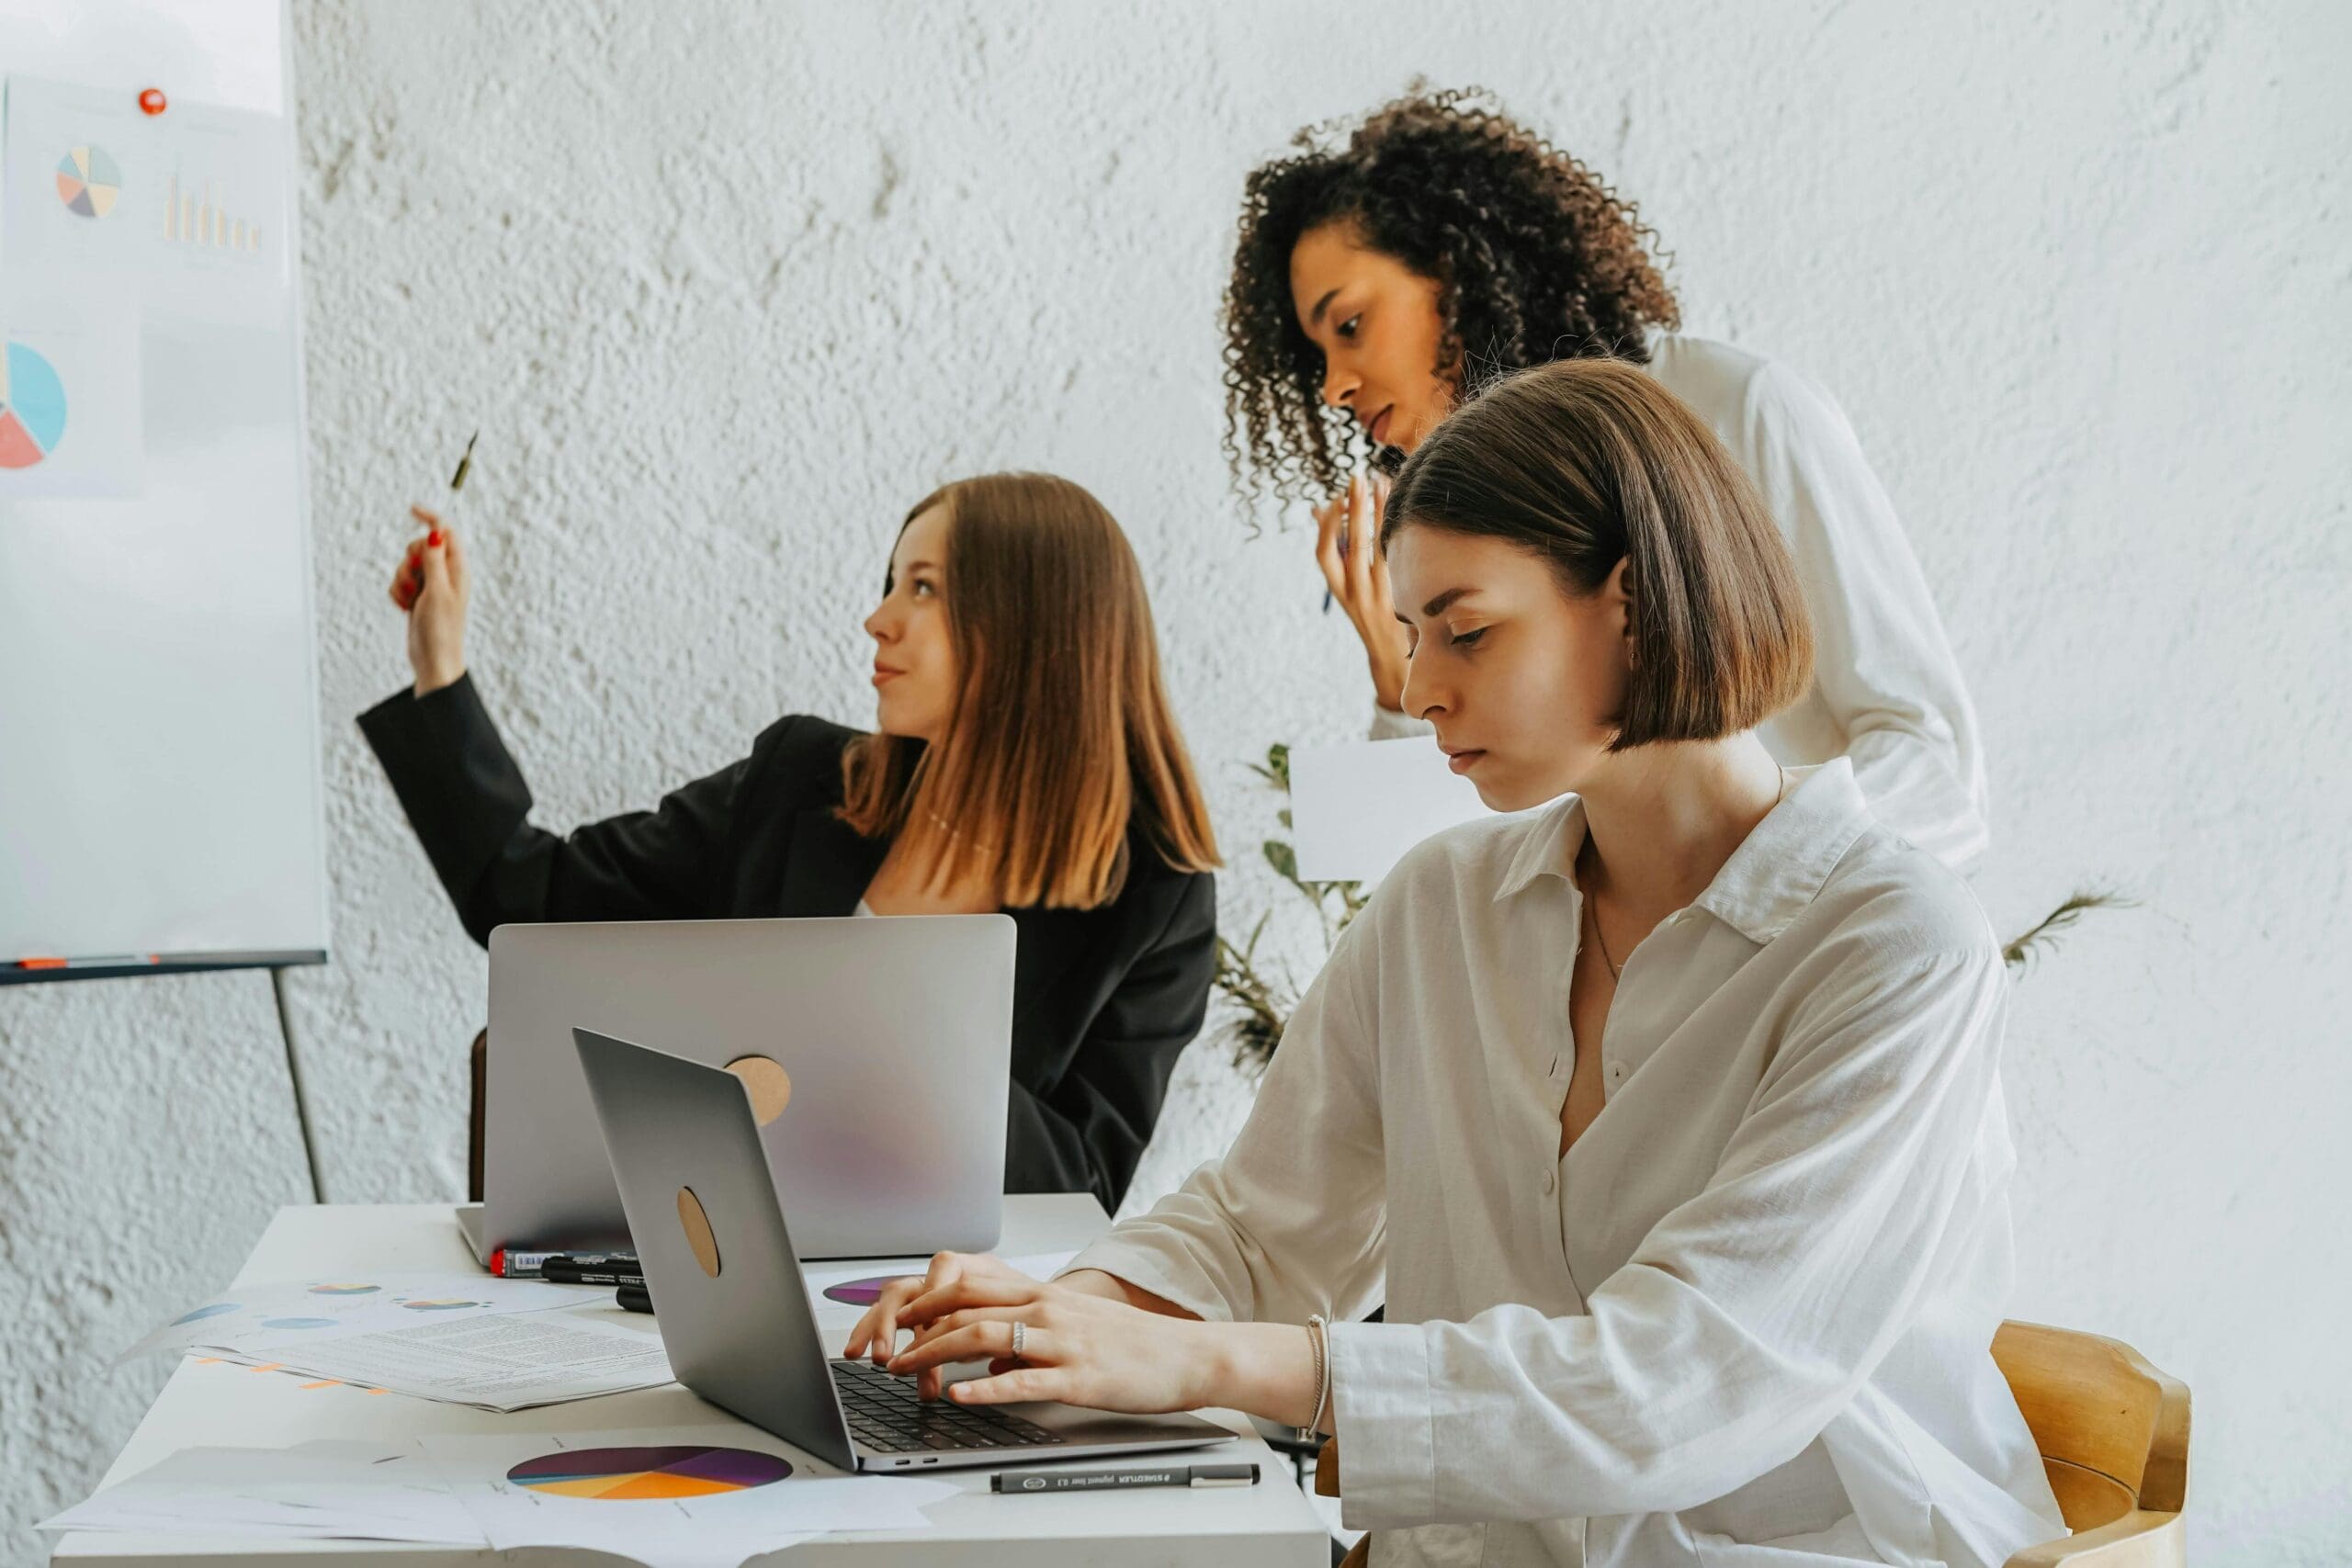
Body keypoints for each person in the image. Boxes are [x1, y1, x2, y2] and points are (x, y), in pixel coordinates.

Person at [848, 362, 2065, 1568]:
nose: (1422, 687)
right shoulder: (1442, 902)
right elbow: (1264, 1225)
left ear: (1633, 600)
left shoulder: (1896, 946)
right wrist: (1056, 1317)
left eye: (1467, 629)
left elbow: (1684, 1381)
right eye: (1411, 634)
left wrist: (1212, 1363)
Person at [359, 472, 1222, 1213]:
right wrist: (441, 667)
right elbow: (524, 897)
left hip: (929, 1316)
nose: (877, 619)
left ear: (1036, 627)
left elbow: (1082, 1190)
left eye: (924, 588)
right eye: (893, 581)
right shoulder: (801, 782)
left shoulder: (1155, 896)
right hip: (714, 1257)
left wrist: (896, 1020)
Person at [1224, 88, 1991, 874]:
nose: (1331, 389)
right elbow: (1444, 874)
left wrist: (1735, 889)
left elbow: (1934, 764)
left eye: (1349, 325)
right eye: (1315, 356)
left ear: (1457, 273)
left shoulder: (1738, 411)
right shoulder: (1459, 531)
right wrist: (1401, 669)